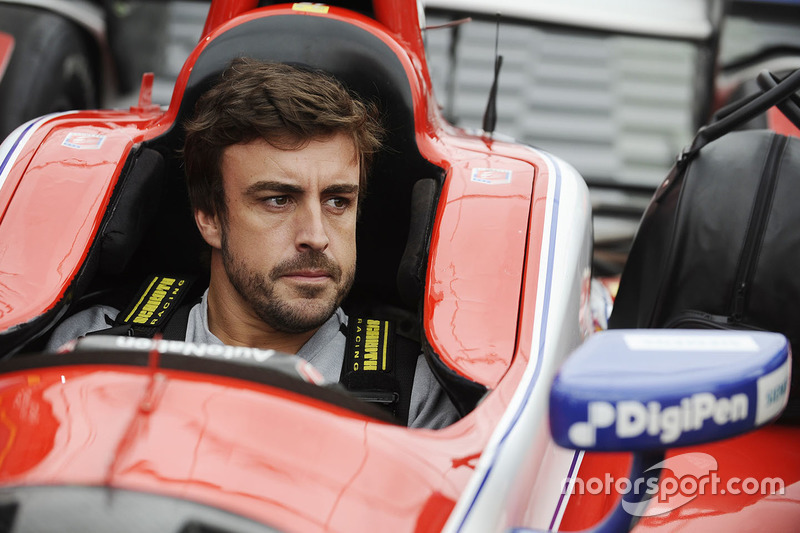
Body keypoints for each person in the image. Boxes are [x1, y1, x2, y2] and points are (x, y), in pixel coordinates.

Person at [46, 57, 460, 429]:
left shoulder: (415, 401)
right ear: (209, 217)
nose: (316, 236)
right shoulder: (92, 348)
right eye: (278, 200)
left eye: (338, 201)